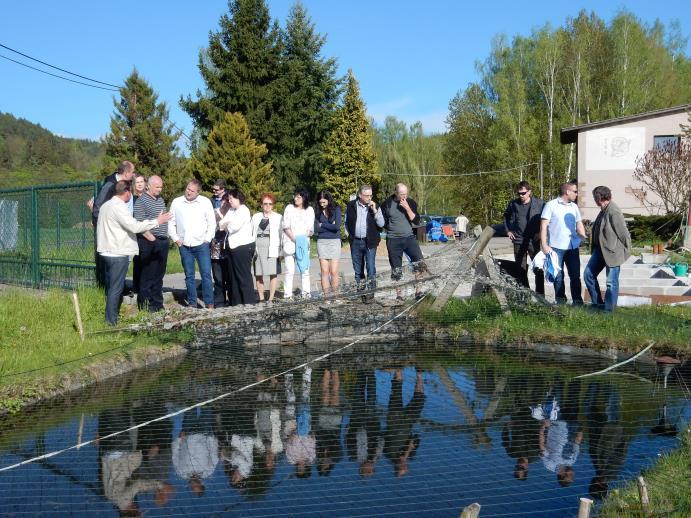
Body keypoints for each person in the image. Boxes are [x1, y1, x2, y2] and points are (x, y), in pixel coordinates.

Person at [97, 180, 170, 325]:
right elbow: (135, 226)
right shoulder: (118, 207)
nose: (131, 194)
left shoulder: (106, 205)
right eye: (130, 191)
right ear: (126, 192)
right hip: (116, 252)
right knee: (116, 289)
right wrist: (157, 221)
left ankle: (111, 318)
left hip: (106, 250)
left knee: (113, 287)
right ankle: (110, 321)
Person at [168, 180, 216, 309]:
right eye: (188, 189)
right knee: (189, 275)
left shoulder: (205, 202)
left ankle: (209, 303)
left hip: (201, 244)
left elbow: (212, 223)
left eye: (192, 191)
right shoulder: (177, 202)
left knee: (206, 274)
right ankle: (192, 303)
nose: (188, 192)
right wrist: (176, 239)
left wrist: (207, 239)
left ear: (198, 192)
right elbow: (170, 222)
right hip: (184, 245)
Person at [584, 186, 631, 312]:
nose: (594, 199)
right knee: (588, 275)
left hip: (612, 252)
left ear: (600, 198)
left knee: (611, 282)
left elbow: (623, 233)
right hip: (600, 251)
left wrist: (627, 250)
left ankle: (609, 310)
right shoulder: (603, 210)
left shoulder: (613, 211)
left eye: (595, 197)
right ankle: (598, 304)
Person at [540, 182, 586, 305]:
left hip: (572, 247)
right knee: (558, 276)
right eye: (575, 191)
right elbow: (543, 226)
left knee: (575, 276)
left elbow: (579, 223)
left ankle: (577, 302)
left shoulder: (574, 207)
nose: (577, 194)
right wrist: (544, 245)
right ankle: (561, 301)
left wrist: (583, 236)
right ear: (567, 192)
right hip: (555, 247)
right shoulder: (551, 205)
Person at [91, 160, 136, 287]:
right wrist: (100, 227)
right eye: (132, 172)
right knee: (109, 266)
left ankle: (116, 289)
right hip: (109, 234)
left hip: (119, 232)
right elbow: (97, 207)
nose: (133, 175)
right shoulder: (110, 185)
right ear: (126, 173)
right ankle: (109, 291)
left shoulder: (123, 185)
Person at [381, 183, 426, 299]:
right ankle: (399, 295)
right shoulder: (387, 204)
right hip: (393, 239)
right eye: (401, 194)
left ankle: (418, 291)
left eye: (406, 194)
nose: (404, 197)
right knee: (396, 268)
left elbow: (416, 221)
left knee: (419, 263)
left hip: (409, 237)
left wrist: (407, 208)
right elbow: (383, 223)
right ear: (396, 193)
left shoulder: (410, 202)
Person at [133, 176, 169, 312]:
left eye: (161, 187)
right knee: (148, 274)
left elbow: (164, 218)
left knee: (159, 275)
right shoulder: (141, 201)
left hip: (162, 240)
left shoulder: (160, 200)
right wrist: (152, 239)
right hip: (149, 241)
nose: (159, 190)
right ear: (149, 186)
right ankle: (145, 305)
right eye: (157, 187)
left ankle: (157, 304)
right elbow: (140, 224)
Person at [504, 181, 545, 295]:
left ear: (529, 192)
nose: (521, 195)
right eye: (519, 194)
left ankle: (540, 296)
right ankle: (525, 295)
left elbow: (546, 220)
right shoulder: (513, 204)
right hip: (518, 240)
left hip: (534, 241)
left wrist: (541, 232)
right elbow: (506, 217)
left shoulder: (540, 204)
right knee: (520, 270)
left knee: (539, 268)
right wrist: (508, 231)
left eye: (523, 193)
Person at [345, 184, 384, 302]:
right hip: (355, 241)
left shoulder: (375, 206)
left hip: (370, 242)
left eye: (370, 195)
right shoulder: (351, 206)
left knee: (371, 268)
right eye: (366, 195)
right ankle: (361, 293)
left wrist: (375, 210)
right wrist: (349, 236)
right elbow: (346, 222)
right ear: (360, 195)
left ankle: (371, 293)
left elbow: (381, 224)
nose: (369, 198)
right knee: (358, 270)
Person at [218, 188, 256, 306]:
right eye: (228, 199)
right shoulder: (231, 211)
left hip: (243, 247)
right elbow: (221, 224)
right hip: (232, 248)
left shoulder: (244, 210)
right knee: (233, 277)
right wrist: (226, 224)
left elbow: (232, 227)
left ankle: (248, 302)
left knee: (243, 276)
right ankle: (237, 303)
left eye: (231, 198)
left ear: (238, 198)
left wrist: (227, 224)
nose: (229, 201)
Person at [282, 188, 315, 299]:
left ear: (304, 198)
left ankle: (306, 293)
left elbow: (311, 228)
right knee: (289, 270)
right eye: (295, 196)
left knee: (305, 269)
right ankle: (287, 295)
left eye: (299, 197)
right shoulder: (289, 208)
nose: (295, 198)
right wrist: (295, 239)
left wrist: (303, 239)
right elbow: (285, 226)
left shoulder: (309, 210)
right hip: (290, 242)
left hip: (304, 243)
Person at [252, 193, 282, 304]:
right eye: (265, 204)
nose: (267, 206)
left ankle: (270, 298)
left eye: (270, 204)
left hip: (272, 248)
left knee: (272, 273)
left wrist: (281, 251)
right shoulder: (255, 217)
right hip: (258, 249)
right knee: (258, 274)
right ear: (261, 205)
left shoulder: (278, 217)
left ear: (273, 205)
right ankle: (261, 297)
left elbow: (281, 235)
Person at [314, 190, 342, 297]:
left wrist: (322, 224)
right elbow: (316, 228)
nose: (322, 205)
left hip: (334, 242)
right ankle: (326, 297)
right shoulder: (317, 211)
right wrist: (329, 224)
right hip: (322, 242)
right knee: (324, 271)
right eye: (320, 203)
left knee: (334, 272)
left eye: (324, 202)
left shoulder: (336, 209)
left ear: (329, 200)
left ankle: (335, 296)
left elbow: (337, 227)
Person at [210, 179, 230, 307]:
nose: (214, 192)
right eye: (214, 189)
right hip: (215, 244)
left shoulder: (232, 205)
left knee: (229, 274)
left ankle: (233, 299)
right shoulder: (211, 203)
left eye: (217, 190)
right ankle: (219, 301)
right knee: (217, 276)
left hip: (229, 244)